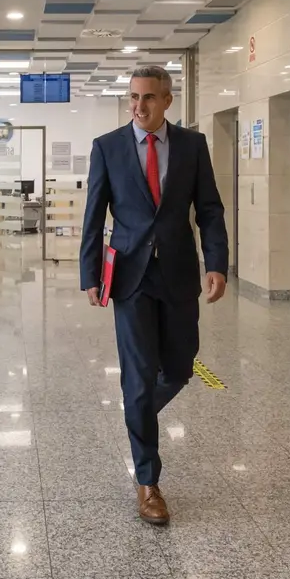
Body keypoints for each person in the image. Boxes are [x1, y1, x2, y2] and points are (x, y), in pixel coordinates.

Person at [79, 65, 229, 525]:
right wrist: (90, 274)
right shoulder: (107, 147)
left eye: (148, 97)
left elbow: (208, 209)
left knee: (181, 367)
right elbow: (94, 213)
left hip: (179, 273)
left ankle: (136, 410)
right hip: (130, 277)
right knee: (140, 376)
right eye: (133, 97)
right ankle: (149, 483)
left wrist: (217, 263)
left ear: (167, 101)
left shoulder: (192, 145)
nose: (139, 106)